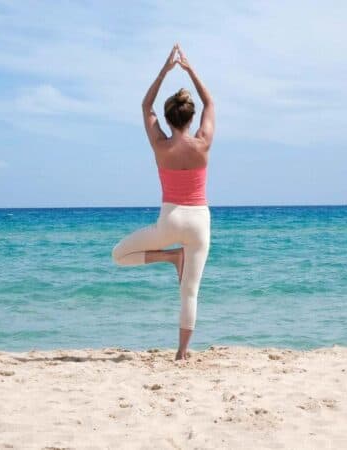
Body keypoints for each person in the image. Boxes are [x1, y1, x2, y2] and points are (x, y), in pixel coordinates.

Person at [111, 44, 215, 361]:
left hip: (169, 220)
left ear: (168, 118)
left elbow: (146, 106)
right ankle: (182, 353)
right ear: (190, 117)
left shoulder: (160, 144)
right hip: (199, 222)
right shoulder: (203, 143)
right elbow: (210, 101)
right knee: (190, 292)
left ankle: (170, 257)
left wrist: (165, 71)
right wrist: (190, 69)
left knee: (119, 256)